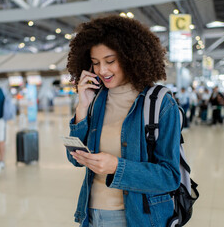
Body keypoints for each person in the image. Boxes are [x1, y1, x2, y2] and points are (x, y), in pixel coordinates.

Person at [65, 16, 181, 227]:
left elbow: (170, 176)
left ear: (130, 57)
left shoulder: (160, 103)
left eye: (110, 61)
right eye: (95, 63)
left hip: (136, 217)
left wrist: (117, 167)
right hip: (91, 214)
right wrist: (82, 106)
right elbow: (74, 158)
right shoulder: (97, 99)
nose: (102, 71)